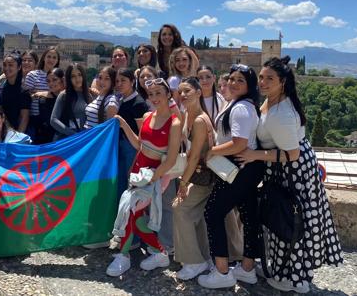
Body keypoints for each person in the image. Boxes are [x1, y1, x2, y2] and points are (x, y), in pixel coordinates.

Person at [234, 57, 343, 293]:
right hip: (291, 169)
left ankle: (293, 277)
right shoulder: (274, 101)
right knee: (295, 218)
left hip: (292, 171)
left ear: (282, 82)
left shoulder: (281, 114)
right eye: (261, 77)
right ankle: (297, 272)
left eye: (269, 79)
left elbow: (291, 154)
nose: (262, 82)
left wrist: (254, 155)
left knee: (288, 219)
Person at [107, 78, 181, 277]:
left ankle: (123, 256)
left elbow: (171, 159)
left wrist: (151, 178)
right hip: (139, 172)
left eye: (159, 93)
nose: (155, 97)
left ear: (168, 95)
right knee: (137, 216)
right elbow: (140, 145)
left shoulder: (175, 123)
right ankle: (159, 252)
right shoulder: (148, 115)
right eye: (151, 94)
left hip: (154, 176)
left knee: (129, 211)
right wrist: (123, 124)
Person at [198, 64, 262, 290]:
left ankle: (222, 271)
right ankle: (246, 269)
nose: (234, 83)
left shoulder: (241, 108)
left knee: (213, 213)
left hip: (238, 168)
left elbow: (239, 143)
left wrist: (212, 151)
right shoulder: (241, 104)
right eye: (232, 79)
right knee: (248, 214)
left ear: (249, 86)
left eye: (240, 80)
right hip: (246, 169)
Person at [172, 77, 216, 280]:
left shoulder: (199, 120)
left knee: (180, 209)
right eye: (180, 92)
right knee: (194, 216)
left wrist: (183, 182)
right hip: (198, 174)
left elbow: (196, 155)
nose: (183, 95)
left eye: (187, 91)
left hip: (201, 176)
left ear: (199, 92)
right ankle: (203, 258)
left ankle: (193, 261)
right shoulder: (191, 114)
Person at [115, 68, 148, 196]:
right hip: (122, 147)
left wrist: (135, 163)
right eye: (117, 81)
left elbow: (142, 137)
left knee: (129, 189)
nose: (119, 84)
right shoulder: (122, 100)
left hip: (132, 150)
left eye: (123, 80)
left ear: (132, 81)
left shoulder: (138, 104)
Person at [23, 47, 60, 138]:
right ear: (44, 58)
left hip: (54, 118)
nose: (51, 60)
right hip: (35, 120)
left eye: (54, 57)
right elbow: (26, 96)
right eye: (49, 56)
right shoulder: (33, 75)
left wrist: (41, 93)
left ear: (58, 60)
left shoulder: (60, 76)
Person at [50, 64, 91, 139]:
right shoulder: (64, 95)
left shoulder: (89, 96)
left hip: (82, 140)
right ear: (69, 79)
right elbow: (53, 120)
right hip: (65, 141)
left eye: (79, 75)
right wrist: (73, 134)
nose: (77, 79)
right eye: (73, 76)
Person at [0, 53, 31, 133]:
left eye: (10, 65)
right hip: (1, 131)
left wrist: (17, 139)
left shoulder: (24, 90)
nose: (6, 68)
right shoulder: (1, 87)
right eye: (5, 65)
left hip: (15, 134)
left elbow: (24, 118)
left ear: (19, 67)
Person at [33, 68, 65, 144]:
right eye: (48, 81)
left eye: (54, 80)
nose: (51, 83)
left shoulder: (69, 99)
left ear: (62, 80)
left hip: (64, 139)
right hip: (46, 141)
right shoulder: (43, 100)